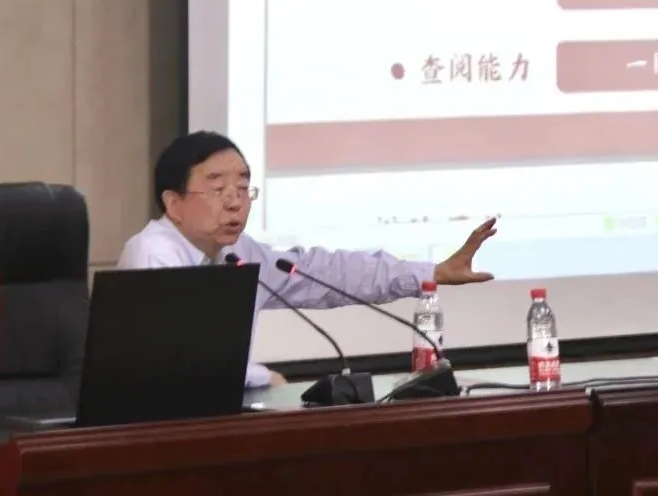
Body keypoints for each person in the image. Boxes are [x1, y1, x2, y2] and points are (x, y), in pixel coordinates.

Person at [116, 131, 497, 388]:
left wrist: (431, 272)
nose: (235, 202)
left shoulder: (237, 253)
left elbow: (326, 274)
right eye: (218, 189)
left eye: (243, 188)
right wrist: (263, 378)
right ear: (174, 203)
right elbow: (182, 364)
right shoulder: (153, 252)